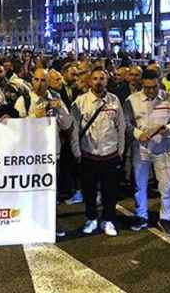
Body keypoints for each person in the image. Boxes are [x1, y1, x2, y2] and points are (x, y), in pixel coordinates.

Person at [124, 69, 170, 237]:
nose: (150, 91)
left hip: (163, 148)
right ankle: (141, 216)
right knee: (140, 184)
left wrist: (169, 128)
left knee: (167, 184)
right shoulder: (132, 100)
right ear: (142, 84)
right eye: (147, 87)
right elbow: (125, 123)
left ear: (160, 83)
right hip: (141, 149)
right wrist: (137, 134)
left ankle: (166, 218)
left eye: (154, 87)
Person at [14, 68, 73, 237]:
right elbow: (15, 129)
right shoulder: (23, 100)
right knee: (29, 190)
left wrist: (60, 108)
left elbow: (67, 124)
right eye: (37, 80)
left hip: (51, 153)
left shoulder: (56, 98)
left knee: (50, 191)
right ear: (32, 80)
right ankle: (28, 223)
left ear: (49, 82)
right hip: (30, 154)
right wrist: (34, 117)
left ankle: (50, 223)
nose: (39, 84)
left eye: (43, 80)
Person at [71, 67, 126, 236]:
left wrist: (120, 150)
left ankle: (108, 220)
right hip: (89, 154)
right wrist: (77, 152)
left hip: (110, 154)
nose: (98, 81)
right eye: (95, 78)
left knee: (110, 191)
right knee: (89, 190)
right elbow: (74, 129)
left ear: (107, 80)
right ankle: (92, 218)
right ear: (89, 81)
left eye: (102, 78)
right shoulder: (80, 102)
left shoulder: (114, 100)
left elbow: (121, 127)